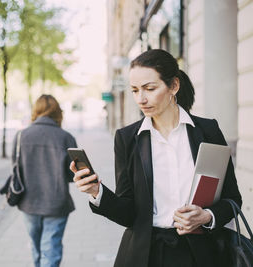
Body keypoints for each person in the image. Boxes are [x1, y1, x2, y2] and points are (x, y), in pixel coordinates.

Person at [70, 49, 242, 267]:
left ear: (174, 86)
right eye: (134, 90)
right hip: (146, 255)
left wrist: (206, 216)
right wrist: (96, 192)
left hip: (201, 255)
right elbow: (128, 214)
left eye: (150, 89)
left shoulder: (207, 131)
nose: (141, 99)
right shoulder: (127, 139)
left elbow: (232, 198)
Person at [15, 94, 77, 267]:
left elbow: (16, 169)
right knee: (51, 250)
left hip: (28, 202)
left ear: (36, 111)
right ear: (58, 112)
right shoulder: (66, 137)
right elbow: (73, 175)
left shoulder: (22, 136)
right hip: (56, 203)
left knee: (36, 248)